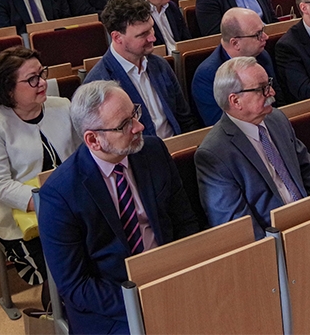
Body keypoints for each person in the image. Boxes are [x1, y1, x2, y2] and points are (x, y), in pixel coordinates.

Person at [39, 80, 199, 334]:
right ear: (93, 140)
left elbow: (185, 222)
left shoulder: (153, 151)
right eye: (125, 125)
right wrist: (143, 301)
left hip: (170, 275)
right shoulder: (60, 195)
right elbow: (76, 286)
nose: (139, 126)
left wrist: (184, 275)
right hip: (110, 306)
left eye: (134, 113)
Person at [0, 47, 79, 302]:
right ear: (9, 89)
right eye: (32, 79)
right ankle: (56, 314)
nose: (42, 82)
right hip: (20, 214)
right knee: (57, 268)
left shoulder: (62, 106)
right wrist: (50, 205)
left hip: (70, 203)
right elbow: (0, 185)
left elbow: (81, 157)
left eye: (41, 74)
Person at [195, 56, 310, 239]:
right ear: (235, 101)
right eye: (261, 89)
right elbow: (237, 225)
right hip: (274, 243)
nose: (271, 92)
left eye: (269, 84)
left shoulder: (277, 119)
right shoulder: (214, 154)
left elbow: (306, 168)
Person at [84, 0, 199, 138]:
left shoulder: (160, 65)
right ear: (117, 37)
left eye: (151, 28)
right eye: (143, 34)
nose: (153, 38)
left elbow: (185, 119)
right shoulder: (98, 83)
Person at [191, 8, 278, 126]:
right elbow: (220, 125)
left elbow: (277, 101)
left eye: (263, 30)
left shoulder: (262, 56)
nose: (266, 37)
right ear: (235, 43)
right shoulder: (207, 76)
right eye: (258, 34)